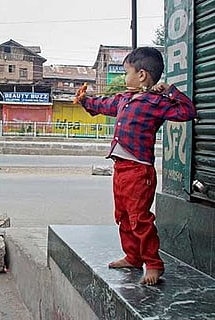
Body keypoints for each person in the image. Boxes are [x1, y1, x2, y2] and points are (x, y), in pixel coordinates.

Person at [74, 47, 197, 286]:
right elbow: (103, 104)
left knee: (139, 218)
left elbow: (187, 111)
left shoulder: (156, 102)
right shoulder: (124, 99)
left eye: (126, 72)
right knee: (122, 216)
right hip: (120, 169)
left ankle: (153, 264)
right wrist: (85, 101)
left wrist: (170, 91)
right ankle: (133, 256)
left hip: (139, 172)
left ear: (141, 75)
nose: (124, 77)